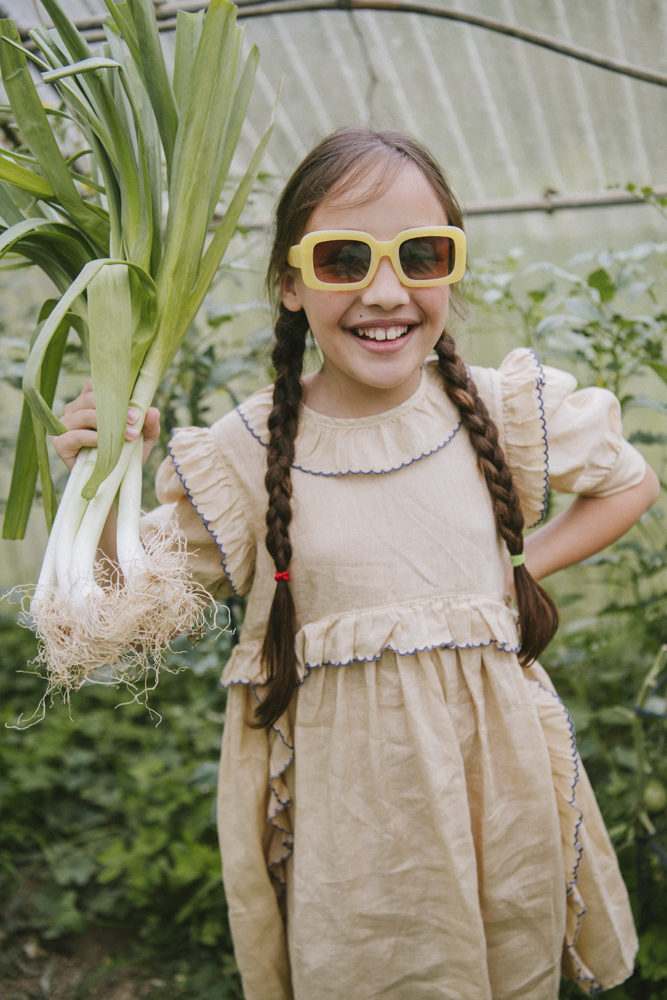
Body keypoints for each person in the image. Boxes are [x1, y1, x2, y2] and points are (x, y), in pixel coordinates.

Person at [55, 127, 659, 1000]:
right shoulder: (245, 454)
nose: (386, 291)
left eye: (421, 255)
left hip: (503, 806)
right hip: (352, 839)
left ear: (451, 268)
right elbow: (114, 612)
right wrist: (105, 479)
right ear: (290, 283)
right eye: (343, 259)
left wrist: (511, 578)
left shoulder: (498, 408)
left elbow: (627, 484)